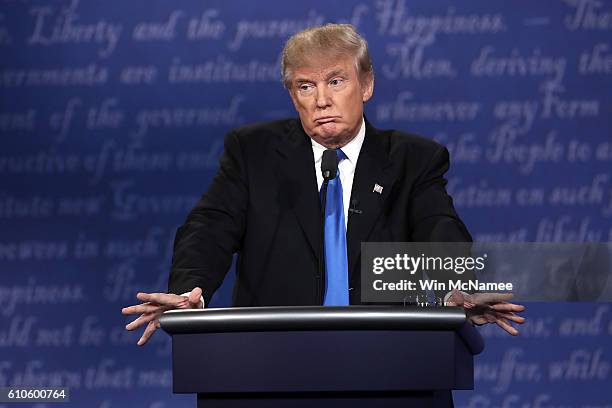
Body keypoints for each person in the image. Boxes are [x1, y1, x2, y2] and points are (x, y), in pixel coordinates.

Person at [122, 23, 525, 346]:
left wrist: (453, 289)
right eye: (306, 86)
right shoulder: (253, 153)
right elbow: (208, 227)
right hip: (272, 361)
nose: (322, 100)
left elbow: (439, 226)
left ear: (366, 85)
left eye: (336, 81)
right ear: (292, 95)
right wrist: (191, 290)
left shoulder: (412, 159)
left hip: (391, 356)